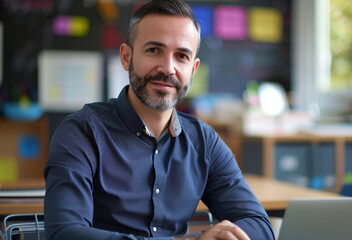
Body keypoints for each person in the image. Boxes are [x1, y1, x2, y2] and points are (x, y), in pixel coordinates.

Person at [44, 0, 275, 239]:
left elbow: (259, 225)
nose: (168, 68)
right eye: (154, 50)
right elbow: (64, 233)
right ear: (126, 56)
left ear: (193, 69)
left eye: (182, 56)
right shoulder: (82, 132)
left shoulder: (203, 141)